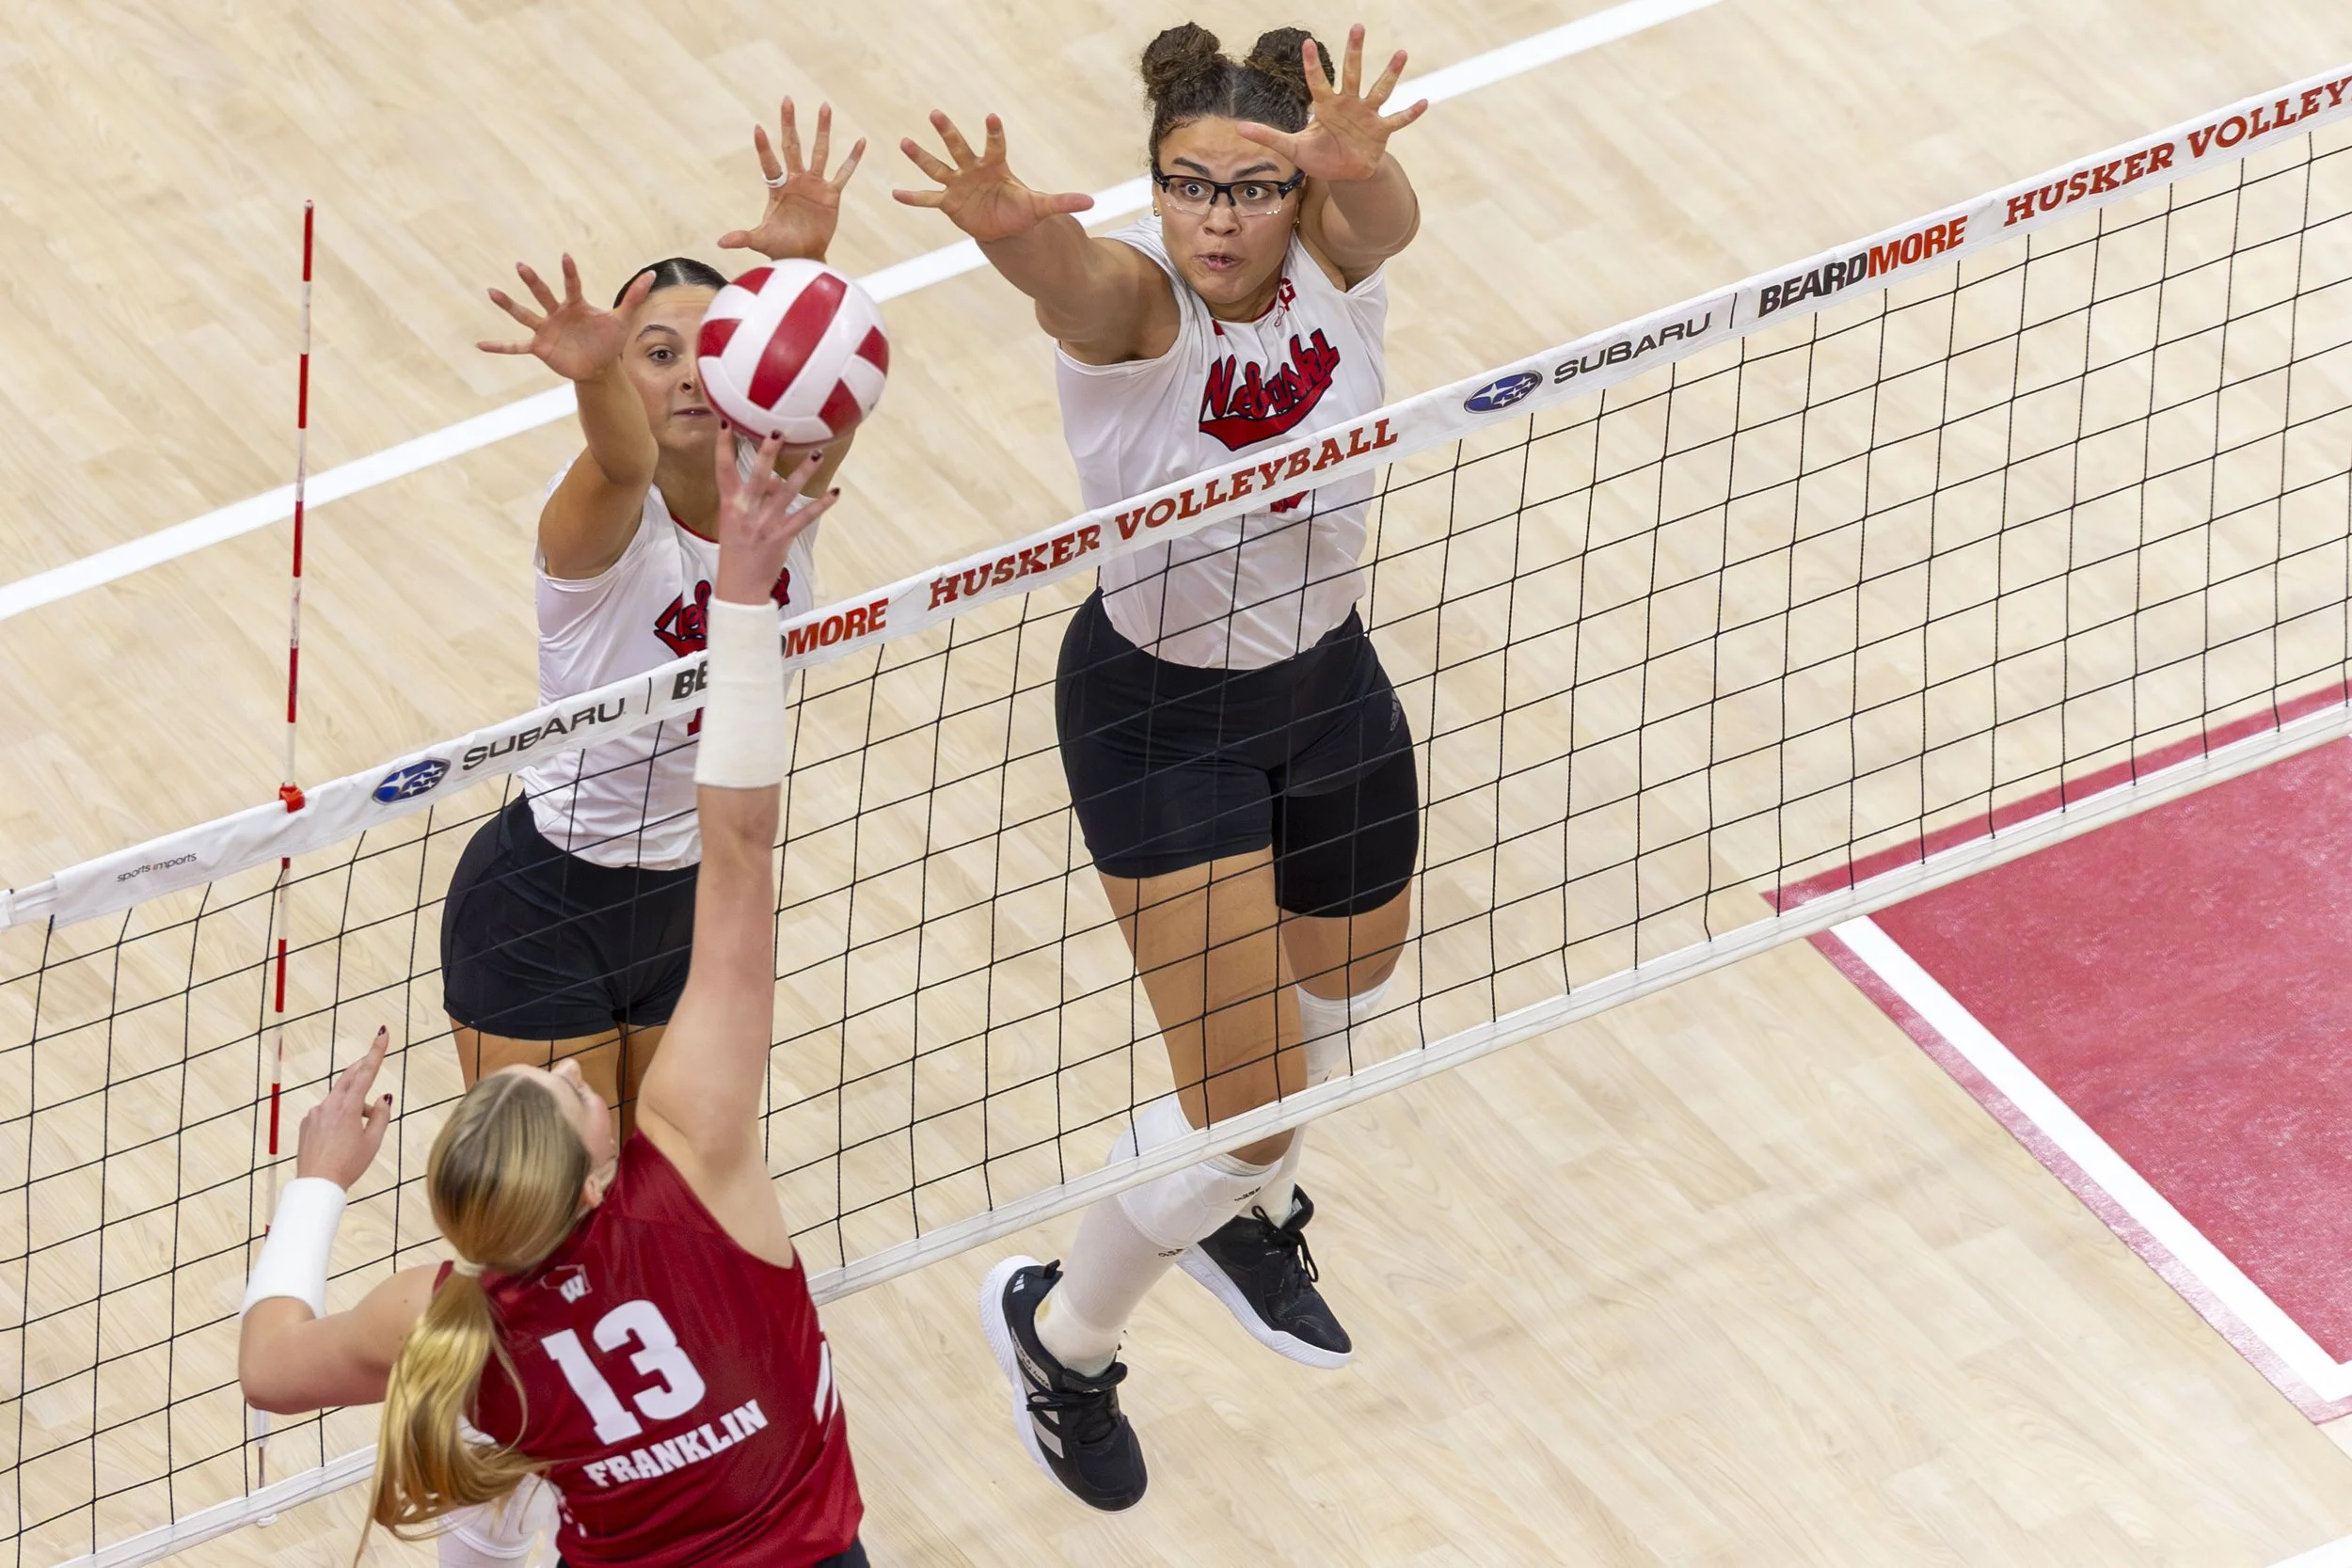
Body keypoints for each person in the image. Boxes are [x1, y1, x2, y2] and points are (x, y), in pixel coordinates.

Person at [897, 21, 1426, 1510]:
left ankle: (1240, 1204)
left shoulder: (1339, 257)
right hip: (1161, 723)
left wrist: (1355, 165)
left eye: (1253, 188)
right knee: (1248, 1101)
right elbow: (1081, 285)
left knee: (1345, 999)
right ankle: (1062, 1333)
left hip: (1329, 684)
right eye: (1187, 184)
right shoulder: (1140, 309)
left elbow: (1382, 215)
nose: (1215, 215)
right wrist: (1012, 240)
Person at [238, 432, 865, 1567]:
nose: (578, 1066)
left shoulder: (441, 1320)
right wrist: (740, 589)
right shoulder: (698, 1167)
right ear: (591, 1175)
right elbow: (739, 844)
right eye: (567, 1087)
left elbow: (268, 1368)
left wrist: (318, 1182)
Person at [442, 100, 865, 1137]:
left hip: (698, 901)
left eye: (706, 349)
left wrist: (804, 278)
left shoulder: (774, 498)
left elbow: (833, 382)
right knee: (552, 1225)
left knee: (671, 1192)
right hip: (544, 905)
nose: (684, 375)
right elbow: (626, 460)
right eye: (654, 352)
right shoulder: (594, 523)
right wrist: (592, 380)